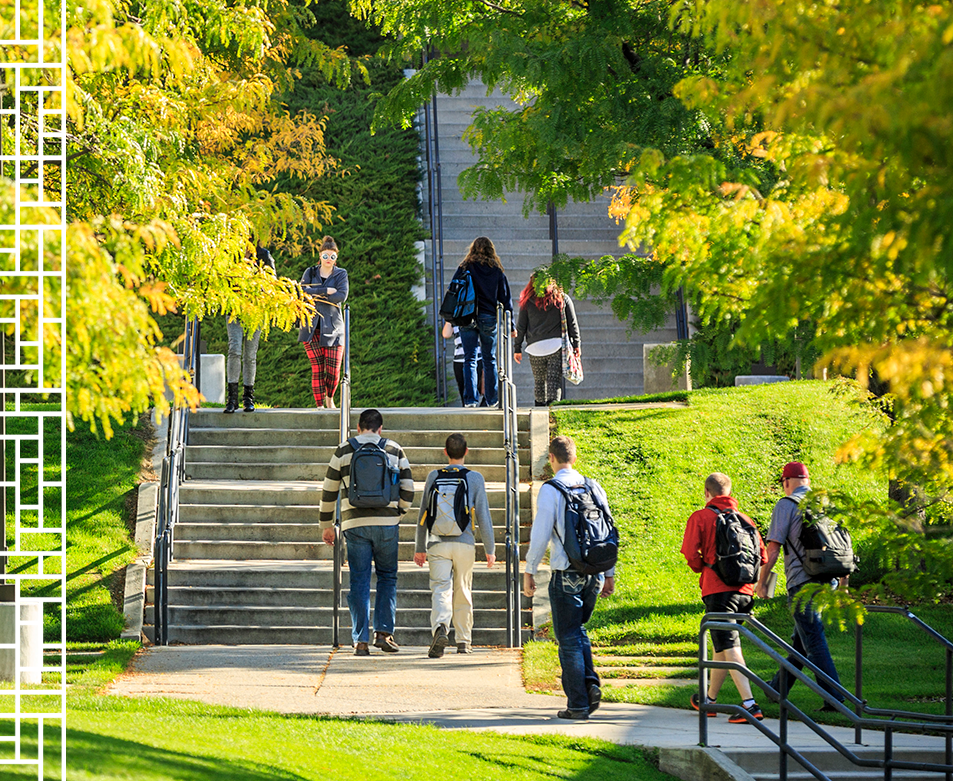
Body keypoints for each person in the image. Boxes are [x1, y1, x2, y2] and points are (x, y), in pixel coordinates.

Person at [523, 435, 615, 720]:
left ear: (551, 459)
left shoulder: (551, 490)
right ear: (574, 458)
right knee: (579, 630)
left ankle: (577, 704)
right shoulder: (593, 486)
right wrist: (609, 573)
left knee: (569, 637)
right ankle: (589, 686)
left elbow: (540, 534)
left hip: (566, 573)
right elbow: (609, 529)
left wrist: (530, 570)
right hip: (594, 572)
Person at [319, 408, 414, 655]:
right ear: (380, 429)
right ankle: (383, 633)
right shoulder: (394, 449)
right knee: (387, 578)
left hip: (355, 525)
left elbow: (328, 491)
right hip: (387, 525)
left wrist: (326, 525)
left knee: (359, 580)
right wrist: (398, 514)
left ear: (358, 427)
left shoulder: (343, 450)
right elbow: (408, 490)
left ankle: (360, 640)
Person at [755, 461, 847, 710]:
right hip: (829, 580)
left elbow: (773, 547)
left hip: (803, 582)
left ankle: (835, 698)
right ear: (807, 480)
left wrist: (762, 583)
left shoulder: (786, 505)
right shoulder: (827, 505)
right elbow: (844, 547)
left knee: (813, 640)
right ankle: (777, 688)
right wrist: (844, 583)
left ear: (786, 482)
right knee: (802, 641)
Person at [681, 472, 768, 723]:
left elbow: (689, 552)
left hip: (718, 590)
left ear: (707, 493)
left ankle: (750, 705)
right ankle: (709, 700)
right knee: (723, 645)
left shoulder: (701, 517)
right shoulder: (746, 519)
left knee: (730, 645)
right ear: (729, 492)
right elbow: (761, 557)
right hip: (745, 591)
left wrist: (702, 568)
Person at [414, 433, 496, 657]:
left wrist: (419, 547)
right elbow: (484, 517)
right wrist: (490, 549)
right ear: (466, 451)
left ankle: (441, 627)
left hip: (437, 543)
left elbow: (423, 513)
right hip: (465, 543)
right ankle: (463, 641)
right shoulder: (475, 478)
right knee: (463, 590)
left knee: (441, 588)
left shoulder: (434, 476)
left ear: (445, 452)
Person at [449, 236, 514, 408]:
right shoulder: (496, 270)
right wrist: (511, 324)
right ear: (491, 250)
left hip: (467, 316)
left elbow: (453, 289)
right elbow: (506, 299)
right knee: (489, 358)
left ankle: (470, 400)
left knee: (470, 358)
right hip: (488, 317)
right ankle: (492, 399)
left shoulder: (464, 267)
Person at [514, 271, 580, 406]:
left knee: (539, 381)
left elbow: (521, 327)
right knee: (553, 382)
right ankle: (552, 413)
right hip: (556, 346)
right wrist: (576, 344)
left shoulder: (527, 302)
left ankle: (539, 410)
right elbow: (572, 324)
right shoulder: (562, 298)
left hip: (534, 348)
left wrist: (517, 348)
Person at [298, 236, 349, 408]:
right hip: (311, 327)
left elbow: (341, 296)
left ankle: (329, 398)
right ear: (320, 256)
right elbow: (302, 293)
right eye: (326, 255)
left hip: (334, 327)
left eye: (332, 256)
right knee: (317, 368)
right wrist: (326, 290)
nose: (329, 259)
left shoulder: (341, 274)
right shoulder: (310, 272)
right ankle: (320, 406)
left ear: (336, 258)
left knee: (333, 371)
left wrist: (315, 293)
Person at [225, 244, 275, 414]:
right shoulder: (231, 253)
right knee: (234, 349)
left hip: (256, 310)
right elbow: (223, 282)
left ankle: (248, 397)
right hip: (235, 310)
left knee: (250, 355)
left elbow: (273, 283)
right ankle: (232, 398)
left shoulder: (264, 255)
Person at [441, 321, 485, 406]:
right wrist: (449, 317)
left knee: (477, 389)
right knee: (463, 391)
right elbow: (446, 334)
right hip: (459, 359)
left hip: (477, 358)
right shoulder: (456, 317)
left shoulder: (475, 316)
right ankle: (468, 410)